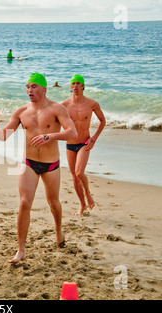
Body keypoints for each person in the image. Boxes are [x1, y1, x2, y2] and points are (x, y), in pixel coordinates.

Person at [0, 73, 77, 263]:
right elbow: (4, 136)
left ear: (44, 89)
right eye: (27, 87)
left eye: (34, 86)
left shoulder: (57, 109)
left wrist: (50, 136)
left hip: (51, 164)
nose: (30, 90)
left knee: (54, 203)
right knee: (24, 203)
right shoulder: (21, 112)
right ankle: (21, 250)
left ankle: (58, 230)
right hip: (28, 163)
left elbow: (72, 132)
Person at [62, 74, 106, 215]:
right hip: (70, 143)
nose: (75, 86)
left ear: (83, 86)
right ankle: (82, 205)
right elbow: (53, 119)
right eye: (73, 84)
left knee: (79, 172)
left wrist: (94, 138)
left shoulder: (92, 104)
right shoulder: (64, 105)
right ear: (71, 87)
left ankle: (88, 194)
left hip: (84, 143)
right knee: (74, 177)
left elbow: (102, 121)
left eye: (78, 83)